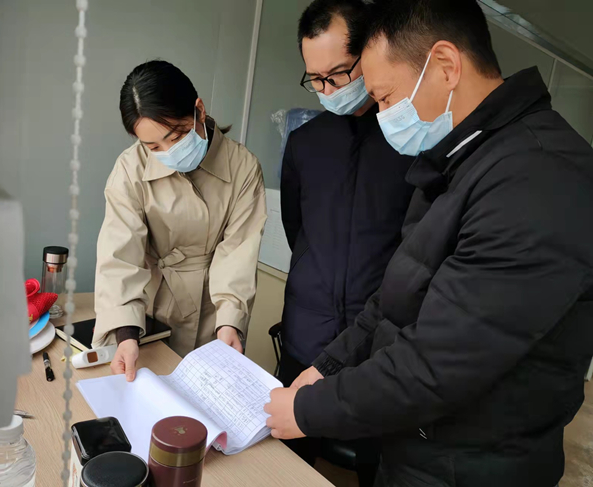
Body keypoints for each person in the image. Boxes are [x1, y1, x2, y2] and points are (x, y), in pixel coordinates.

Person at [265, 1, 593, 486]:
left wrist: (309, 410)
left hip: (472, 463)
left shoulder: (537, 180)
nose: (382, 116)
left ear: (444, 65)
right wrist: (329, 364)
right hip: (420, 444)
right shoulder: (460, 158)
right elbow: (396, 293)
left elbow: (440, 363)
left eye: (385, 97)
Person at [278, 0, 415, 474]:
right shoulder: (306, 142)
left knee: (377, 462)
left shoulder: (410, 139)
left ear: (371, 53)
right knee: (288, 458)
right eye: (315, 79)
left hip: (379, 343)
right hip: (305, 331)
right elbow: (295, 226)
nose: (328, 90)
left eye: (337, 74)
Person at [92, 60, 267, 380]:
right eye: (153, 146)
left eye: (176, 136)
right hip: (149, 313)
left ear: (198, 110)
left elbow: (238, 252)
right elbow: (120, 255)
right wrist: (126, 333)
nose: (168, 151)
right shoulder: (130, 169)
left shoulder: (243, 167)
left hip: (213, 316)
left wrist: (230, 321)